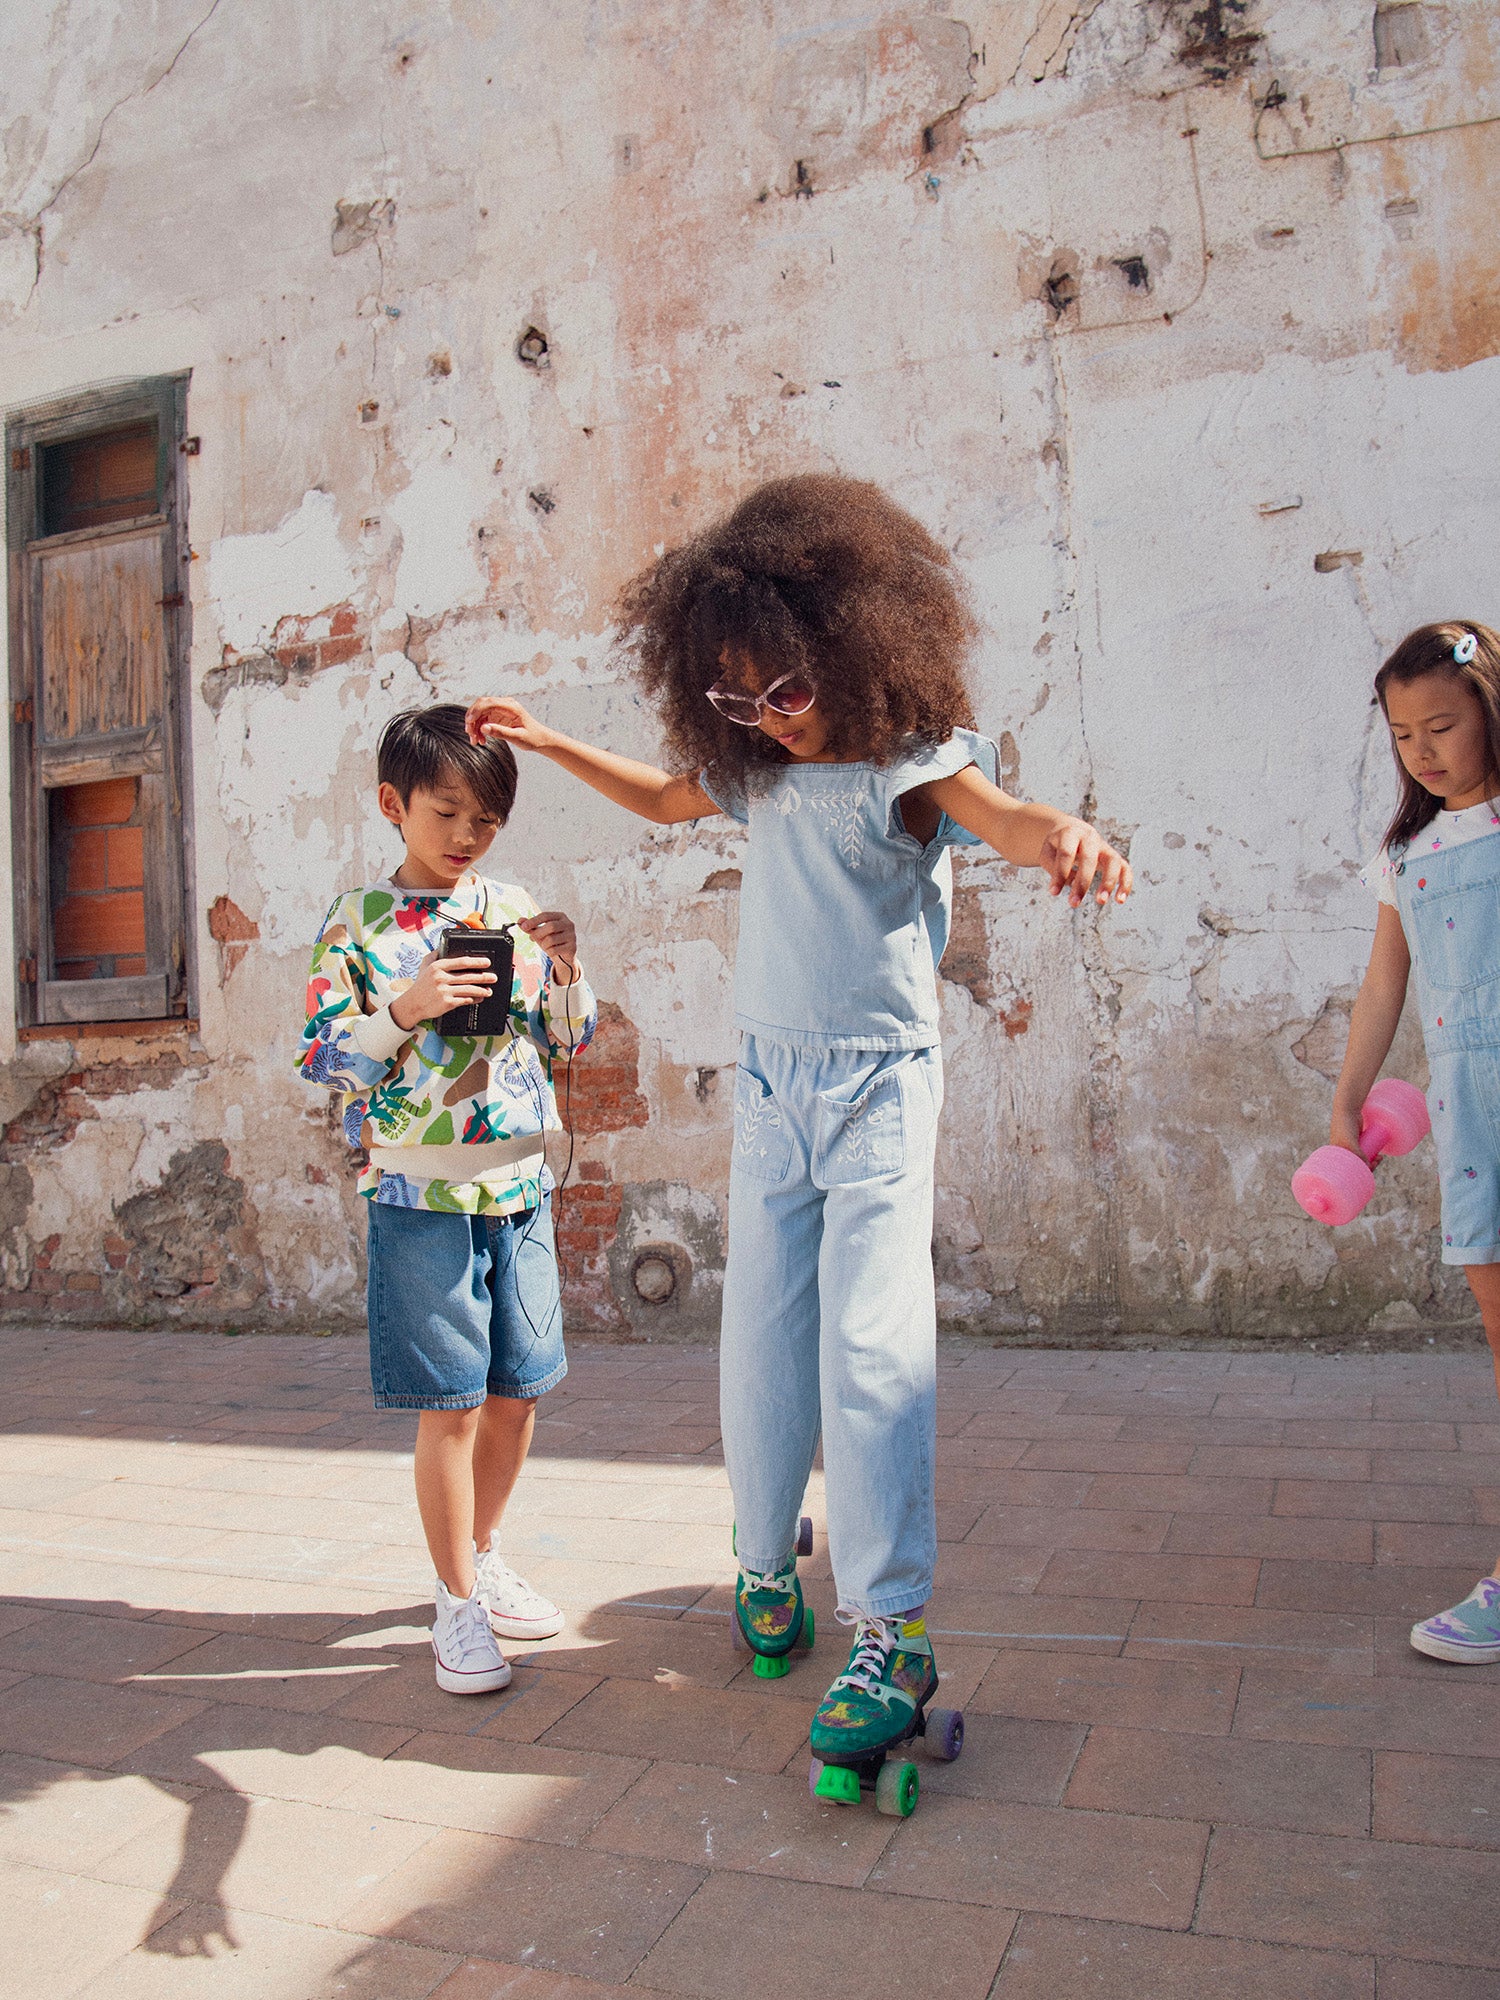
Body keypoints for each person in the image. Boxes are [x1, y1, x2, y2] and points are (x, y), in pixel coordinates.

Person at [465, 473, 1131, 1774]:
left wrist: (1069, 836)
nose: (765, 719)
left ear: (856, 649)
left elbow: (1009, 820)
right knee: (761, 1337)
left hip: (881, 1085)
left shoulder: (912, 769)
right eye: (736, 699)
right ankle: (763, 1562)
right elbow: (665, 799)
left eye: (787, 690)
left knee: (873, 1350)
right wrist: (545, 744)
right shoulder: (757, 776)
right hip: (774, 1084)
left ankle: (890, 1625)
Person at [296, 703, 596, 1693]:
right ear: (395, 804)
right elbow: (324, 1059)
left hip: (518, 1183)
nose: (468, 836)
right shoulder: (359, 920)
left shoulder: (507, 903)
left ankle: (486, 1551)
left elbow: (566, 1039)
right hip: (419, 1195)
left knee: (518, 1395)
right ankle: (455, 1601)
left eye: (486, 819)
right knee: (453, 1406)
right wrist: (405, 1006)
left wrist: (566, 972)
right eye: (448, 812)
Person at [1332, 620, 1500, 1666]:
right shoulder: (1410, 854)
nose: (1424, 750)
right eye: (1402, 734)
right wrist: (1347, 1099)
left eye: (1443, 723)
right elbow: (1384, 983)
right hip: (1477, 1120)